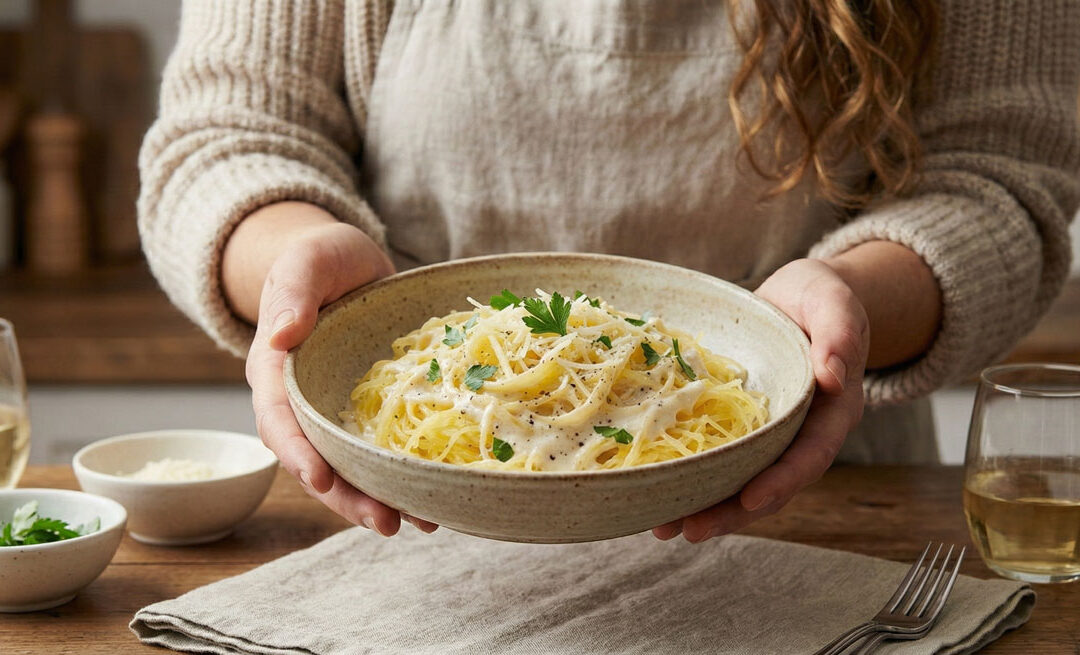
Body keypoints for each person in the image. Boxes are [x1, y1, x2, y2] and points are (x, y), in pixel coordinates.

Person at [139, 0, 1079, 542]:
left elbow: (999, 176)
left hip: (807, 504)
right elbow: (228, 133)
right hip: (406, 512)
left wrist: (851, 298)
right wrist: (290, 259)